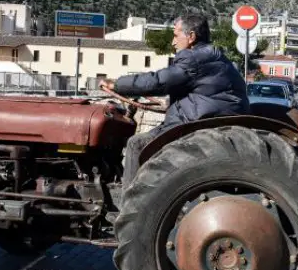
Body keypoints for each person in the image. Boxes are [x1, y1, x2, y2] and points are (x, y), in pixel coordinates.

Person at [99, 13, 251, 188]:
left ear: (191, 36)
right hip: (214, 119)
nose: (173, 42)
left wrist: (117, 84)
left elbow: (158, 81)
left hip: (197, 125)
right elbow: (205, 93)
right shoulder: (218, 58)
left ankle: (129, 208)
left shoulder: (193, 58)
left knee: (136, 144)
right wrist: (170, 103)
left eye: (176, 35)